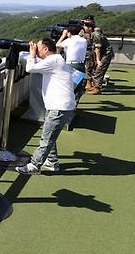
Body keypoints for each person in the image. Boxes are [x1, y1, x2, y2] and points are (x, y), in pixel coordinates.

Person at [16, 38, 76, 175]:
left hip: (59, 107)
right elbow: (38, 64)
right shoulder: (56, 59)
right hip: (61, 106)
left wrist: (31, 53)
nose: (36, 50)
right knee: (48, 133)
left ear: (45, 49)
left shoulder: (53, 60)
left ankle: (34, 166)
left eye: (38, 47)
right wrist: (34, 54)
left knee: (47, 137)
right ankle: (52, 161)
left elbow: (30, 68)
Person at [56, 26, 87, 103]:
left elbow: (57, 45)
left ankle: (67, 107)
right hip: (81, 65)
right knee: (77, 88)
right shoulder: (84, 40)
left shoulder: (69, 40)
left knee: (68, 87)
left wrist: (63, 36)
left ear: (69, 33)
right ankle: (74, 108)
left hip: (71, 66)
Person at [87, 26, 114, 94]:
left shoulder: (96, 35)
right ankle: (95, 86)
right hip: (104, 54)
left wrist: (98, 60)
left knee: (99, 70)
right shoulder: (95, 34)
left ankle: (97, 89)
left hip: (106, 54)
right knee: (96, 69)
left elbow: (98, 48)